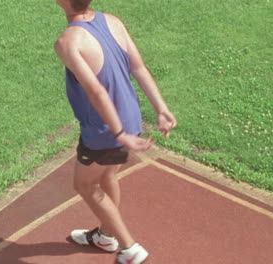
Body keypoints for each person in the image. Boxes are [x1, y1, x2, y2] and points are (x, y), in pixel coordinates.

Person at [54, 0, 177, 263]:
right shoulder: (113, 21)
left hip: (105, 130)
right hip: (130, 119)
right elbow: (139, 67)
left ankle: (129, 249)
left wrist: (118, 133)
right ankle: (105, 237)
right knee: (108, 175)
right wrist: (161, 108)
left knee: (85, 184)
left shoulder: (67, 42)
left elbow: (96, 91)